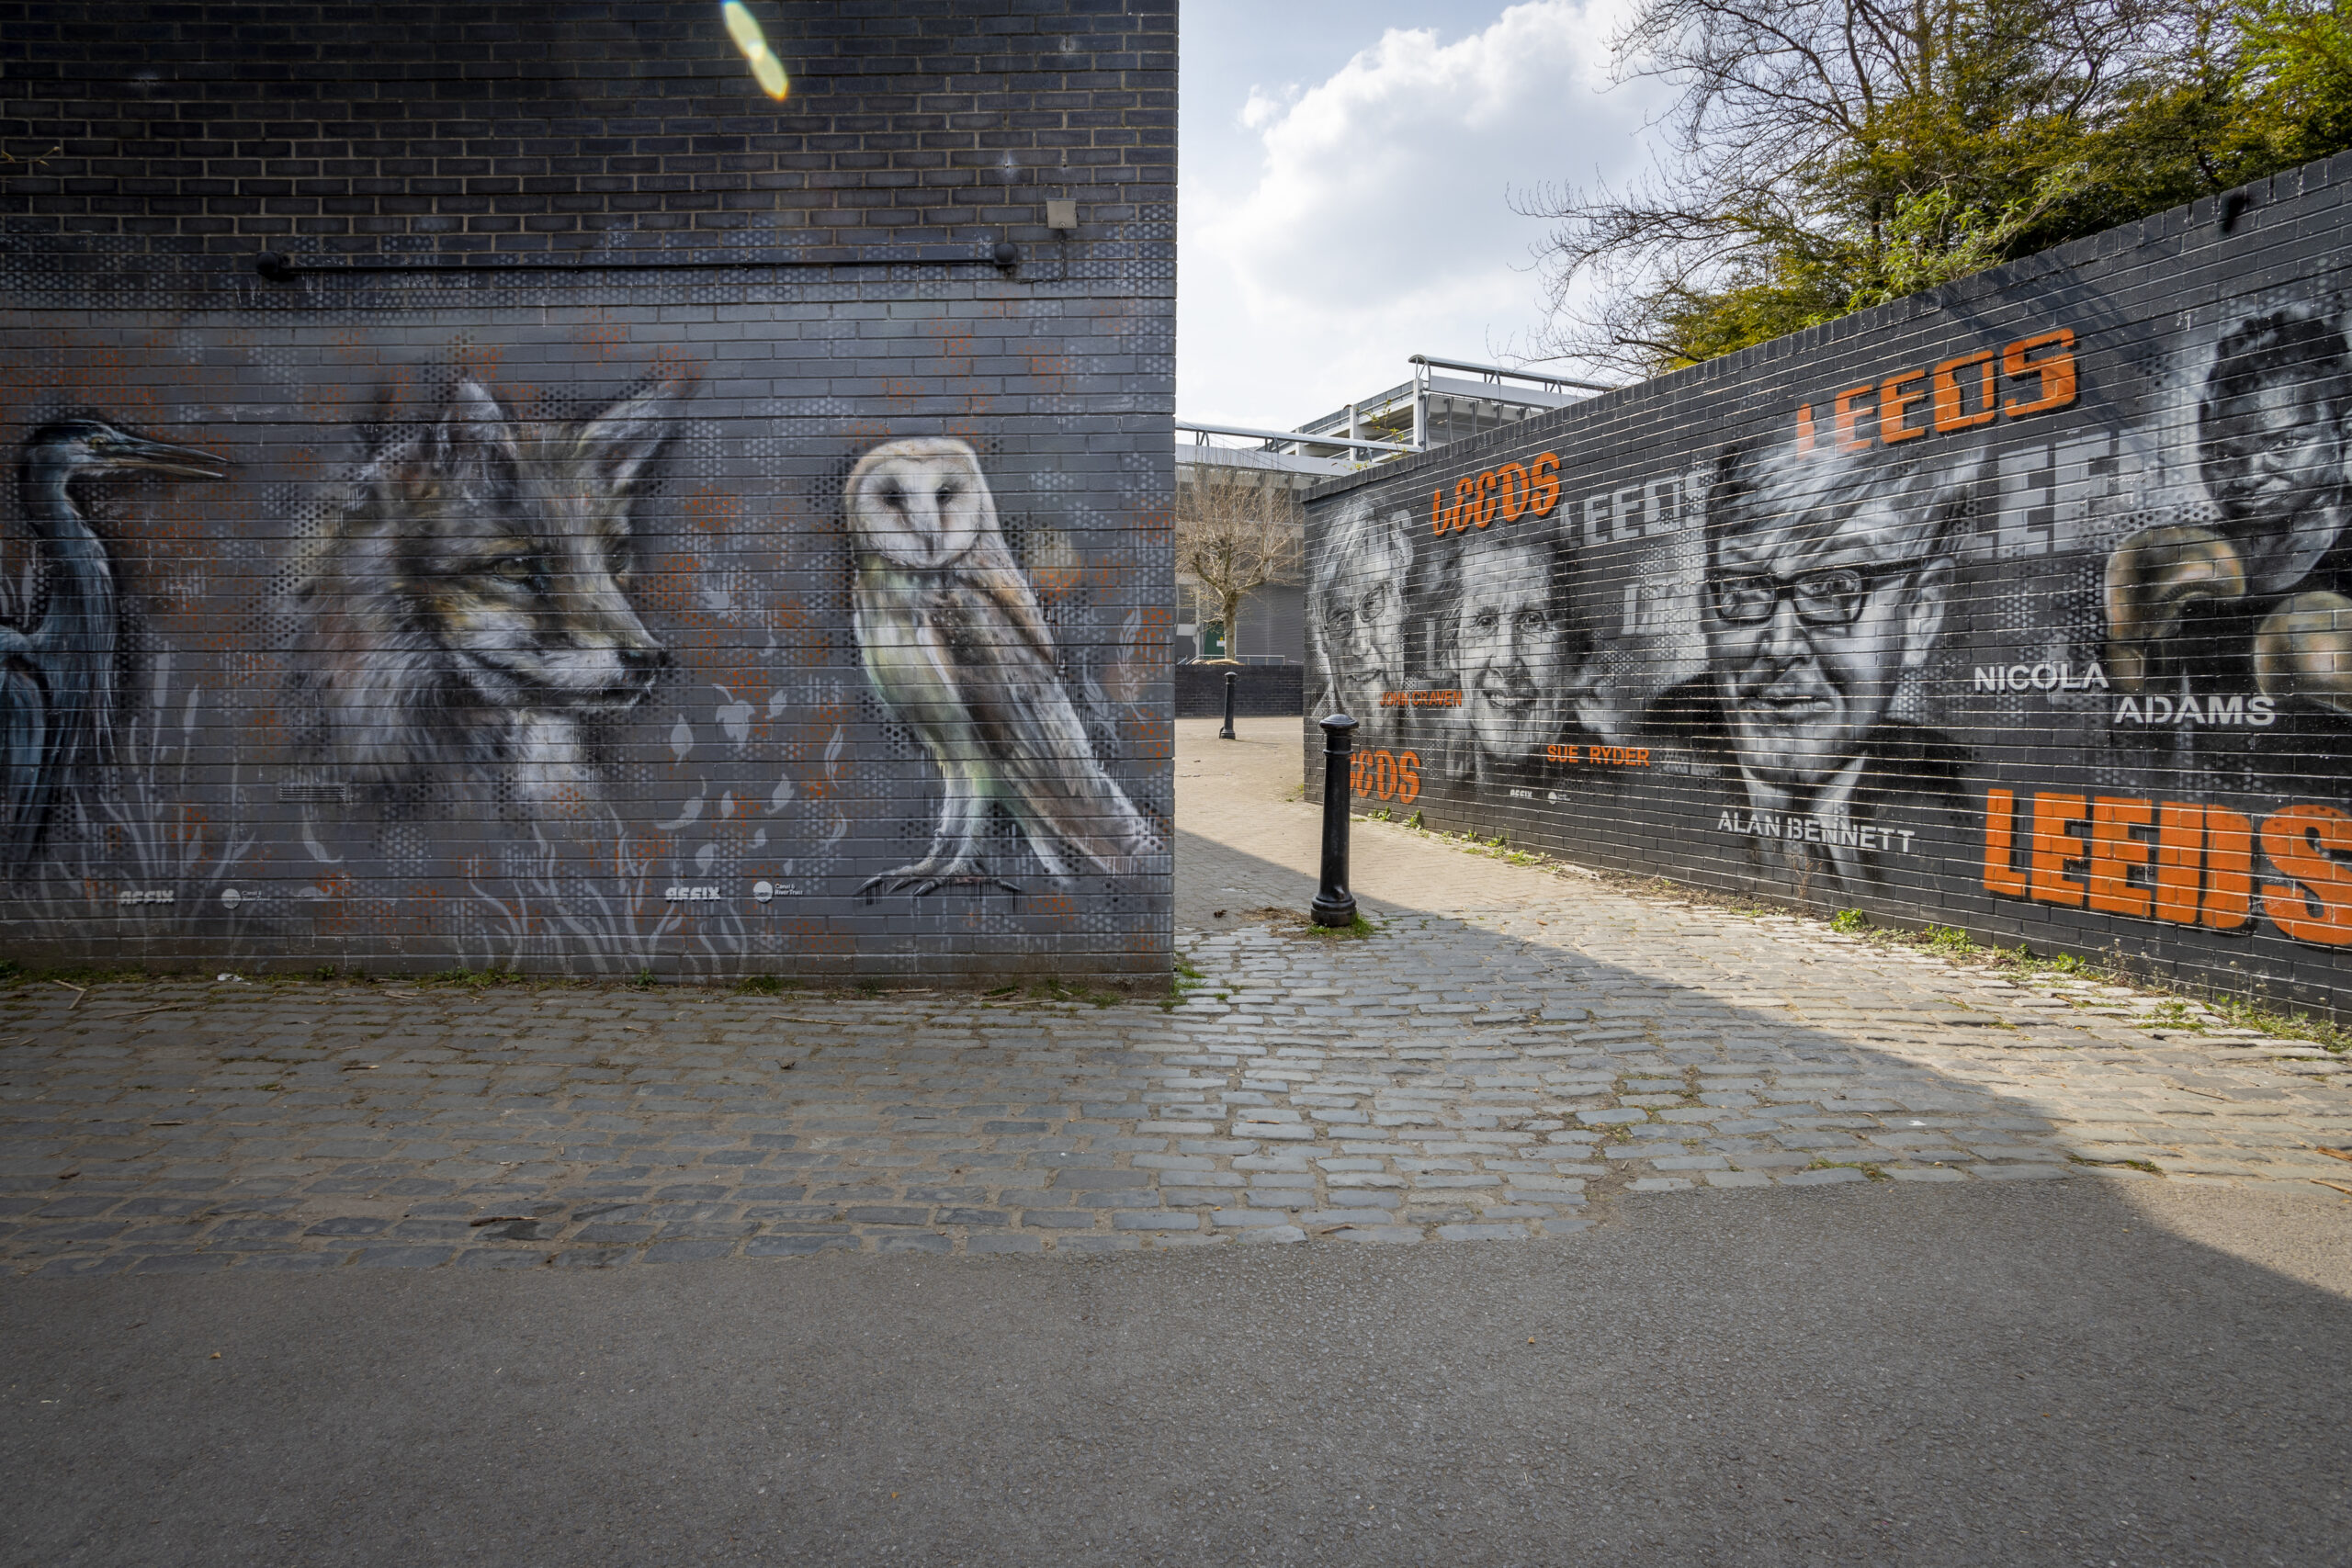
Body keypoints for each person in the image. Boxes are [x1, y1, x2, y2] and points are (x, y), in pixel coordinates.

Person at [1640, 439, 1970, 899]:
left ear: (1921, 614)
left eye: (1833, 587)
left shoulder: (1957, 804)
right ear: (1705, 613)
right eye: (1744, 588)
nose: (1780, 645)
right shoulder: (1636, 777)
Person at [1440, 532, 1607, 788]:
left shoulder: (1609, 788)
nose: (1505, 660)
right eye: (1484, 623)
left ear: (1576, 658)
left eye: (1532, 621)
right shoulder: (1452, 786)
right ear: (1454, 654)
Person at [1308, 497, 1412, 739]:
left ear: (1401, 608)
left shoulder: (1446, 730)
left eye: (1372, 603)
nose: (1359, 645)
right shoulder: (1316, 731)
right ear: (1324, 640)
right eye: (1341, 619)